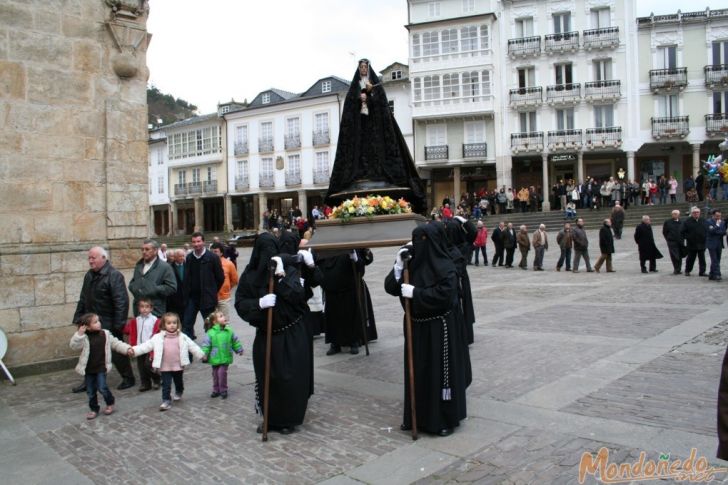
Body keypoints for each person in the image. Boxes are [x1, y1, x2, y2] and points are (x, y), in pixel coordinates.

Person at [384, 223, 471, 437]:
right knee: (419, 374)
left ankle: (443, 419)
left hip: (439, 329)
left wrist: (417, 293)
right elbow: (391, 287)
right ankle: (416, 416)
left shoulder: (445, 265)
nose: (417, 245)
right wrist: (397, 266)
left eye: (422, 240)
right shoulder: (411, 262)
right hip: (416, 328)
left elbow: (447, 295)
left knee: (438, 375)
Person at [325, 59, 426, 211]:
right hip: (359, 129)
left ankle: (377, 172)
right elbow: (349, 109)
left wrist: (371, 96)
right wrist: (359, 99)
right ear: (358, 69)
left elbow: (382, 107)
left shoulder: (376, 87)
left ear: (368, 68)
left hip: (375, 129)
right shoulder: (354, 88)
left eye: (366, 67)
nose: (364, 69)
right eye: (361, 67)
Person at [235, 241, 311, 435]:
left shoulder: (288, 269)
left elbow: (299, 296)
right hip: (266, 334)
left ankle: (289, 419)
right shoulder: (250, 275)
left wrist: (281, 278)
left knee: (289, 379)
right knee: (267, 377)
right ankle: (270, 418)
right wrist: (259, 303)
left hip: (290, 333)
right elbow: (241, 303)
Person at [72, 246, 134, 393]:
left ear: (103, 258)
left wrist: (118, 324)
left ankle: (128, 377)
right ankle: (89, 381)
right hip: (91, 321)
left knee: (118, 352)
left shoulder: (114, 275)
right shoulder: (89, 275)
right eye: (89, 258)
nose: (90, 261)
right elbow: (83, 298)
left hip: (109, 321)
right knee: (90, 352)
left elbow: (121, 301)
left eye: (93, 258)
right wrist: (78, 318)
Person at [129, 312, 206, 411]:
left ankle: (179, 390)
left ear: (178, 324)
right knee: (166, 384)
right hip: (165, 366)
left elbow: (192, 346)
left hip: (178, 365)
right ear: (164, 325)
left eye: (174, 323)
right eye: (169, 323)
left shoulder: (182, 336)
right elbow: (146, 346)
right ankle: (166, 400)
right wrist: (134, 350)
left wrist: (201, 355)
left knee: (178, 381)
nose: (172, 325)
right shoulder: (158, 338)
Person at [70, 313, 131, 420]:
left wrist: (127, 349)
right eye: (95, 322)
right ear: (87, 326)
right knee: (90, 391)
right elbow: (74, 346)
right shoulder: (84, 337)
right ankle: (94, 409)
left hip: (101, 367)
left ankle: (110, 402)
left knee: (102, 387)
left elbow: (116, 344)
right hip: (89, 369)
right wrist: (79, 335)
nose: (99, 323)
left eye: (98, 321)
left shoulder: (105, 334)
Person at [182, 232, 225, 340]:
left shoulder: (213, 257)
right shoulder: (189, 258)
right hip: (192, 298)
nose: (196, 244)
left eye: (198, 241)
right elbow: (186, 278)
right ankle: (188, 354)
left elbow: (220, 278)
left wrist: (212, 291)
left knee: (210, 326)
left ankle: (212, 353)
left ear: (203, 242)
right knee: (186, 325)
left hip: (207, 299)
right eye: (194, 242)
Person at [127, 239, 177, 318]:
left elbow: (172, 287)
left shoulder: (165, 267)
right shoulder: (139, 265)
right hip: (139, 311)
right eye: (142, 249)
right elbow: (133, 281)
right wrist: (133, 287)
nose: (144, 252)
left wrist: (155, 289)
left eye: (147, 249)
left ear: (155, 251)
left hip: (156, 311)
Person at [201, 311, 243, 399]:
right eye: (221, 316)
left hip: (225, 357)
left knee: (221, 373)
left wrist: (239, 349)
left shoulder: (229, 331)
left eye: (223, 315)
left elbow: (235, 341)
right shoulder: (210, 332)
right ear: (215, 322)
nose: (224, 317)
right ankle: (216, 390)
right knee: (215, 374)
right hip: (214, 357)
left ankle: (223, 390)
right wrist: (204, 354)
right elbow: (206, 344)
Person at [123, 297, 161, 392]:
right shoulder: (136, 320)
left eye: (147, 307)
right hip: (139, 347)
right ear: (139, 308)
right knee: (141, 367)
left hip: (150, 347)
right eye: (142, 307)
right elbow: (130, 330)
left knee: (149, 365)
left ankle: (156, 379)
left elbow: (158, 332)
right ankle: (145, 383)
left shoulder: (154, 320)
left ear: (151, 308)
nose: (144, 309)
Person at [210, 242, 239, 322]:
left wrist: (226, 288)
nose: (213, 254)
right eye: (211, 252)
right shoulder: (207, 263)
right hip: (210, 298)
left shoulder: (228, 264)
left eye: (215, 252)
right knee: (213, 323)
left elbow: (235, 280)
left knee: (224, 322)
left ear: (221, 253)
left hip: (223, 298)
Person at [682, 206, 708, 277]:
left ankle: (702, 272)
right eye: (694, 212)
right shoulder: (687, 221)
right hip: (691, 244)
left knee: (702, 259)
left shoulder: (704, 220)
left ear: (700, 213)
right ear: (692, 213)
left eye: (697, 212)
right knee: (690, 258)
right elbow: (682, 232)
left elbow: (707, 230)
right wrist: (688, 237)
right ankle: (687, 270)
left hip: (702, 243)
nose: (696, 214)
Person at [706, 209, 726, 281]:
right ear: (713, 215)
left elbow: (723, 232)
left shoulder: (722, 222)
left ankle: (711, 274)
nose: (718, 217)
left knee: (717, 259)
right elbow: (711, 231)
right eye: (717, 216)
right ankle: (717, 274)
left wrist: (717, 231)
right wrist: (717, 226)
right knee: (714, 259)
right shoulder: (709, 222)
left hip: (719, 243)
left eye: (720, 216)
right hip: (711, 243)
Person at [663, 210, 685, 275]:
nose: (675, 215)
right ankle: (676, 269)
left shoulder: (682, 222)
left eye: (676, 214)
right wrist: (668, 239)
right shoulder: (667, 222)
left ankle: (679, 268)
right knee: (674, 255)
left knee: (680, 255)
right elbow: (665, 232)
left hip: (680, 241)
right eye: (673, 214)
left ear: (679, 215)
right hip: (672, 241)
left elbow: (684, 231)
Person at [167, 249, 186, 317]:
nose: (182, 258)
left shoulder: (188, 266)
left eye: (183, 256)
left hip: (185, 299)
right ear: (175, 257)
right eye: (180, 256)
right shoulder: (169, 267)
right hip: (174, 299)